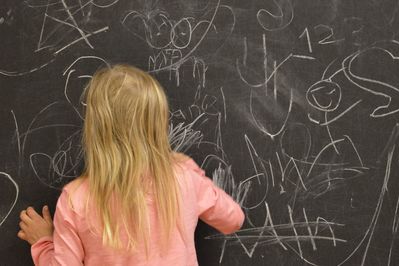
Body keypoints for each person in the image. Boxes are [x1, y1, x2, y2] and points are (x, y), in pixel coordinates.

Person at [17, 64, 245, 265]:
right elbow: (233, 219)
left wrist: (44, 243)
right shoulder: (184, 178)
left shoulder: (76, 200)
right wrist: (192, 171)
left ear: (96, 129)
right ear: (158, 125)